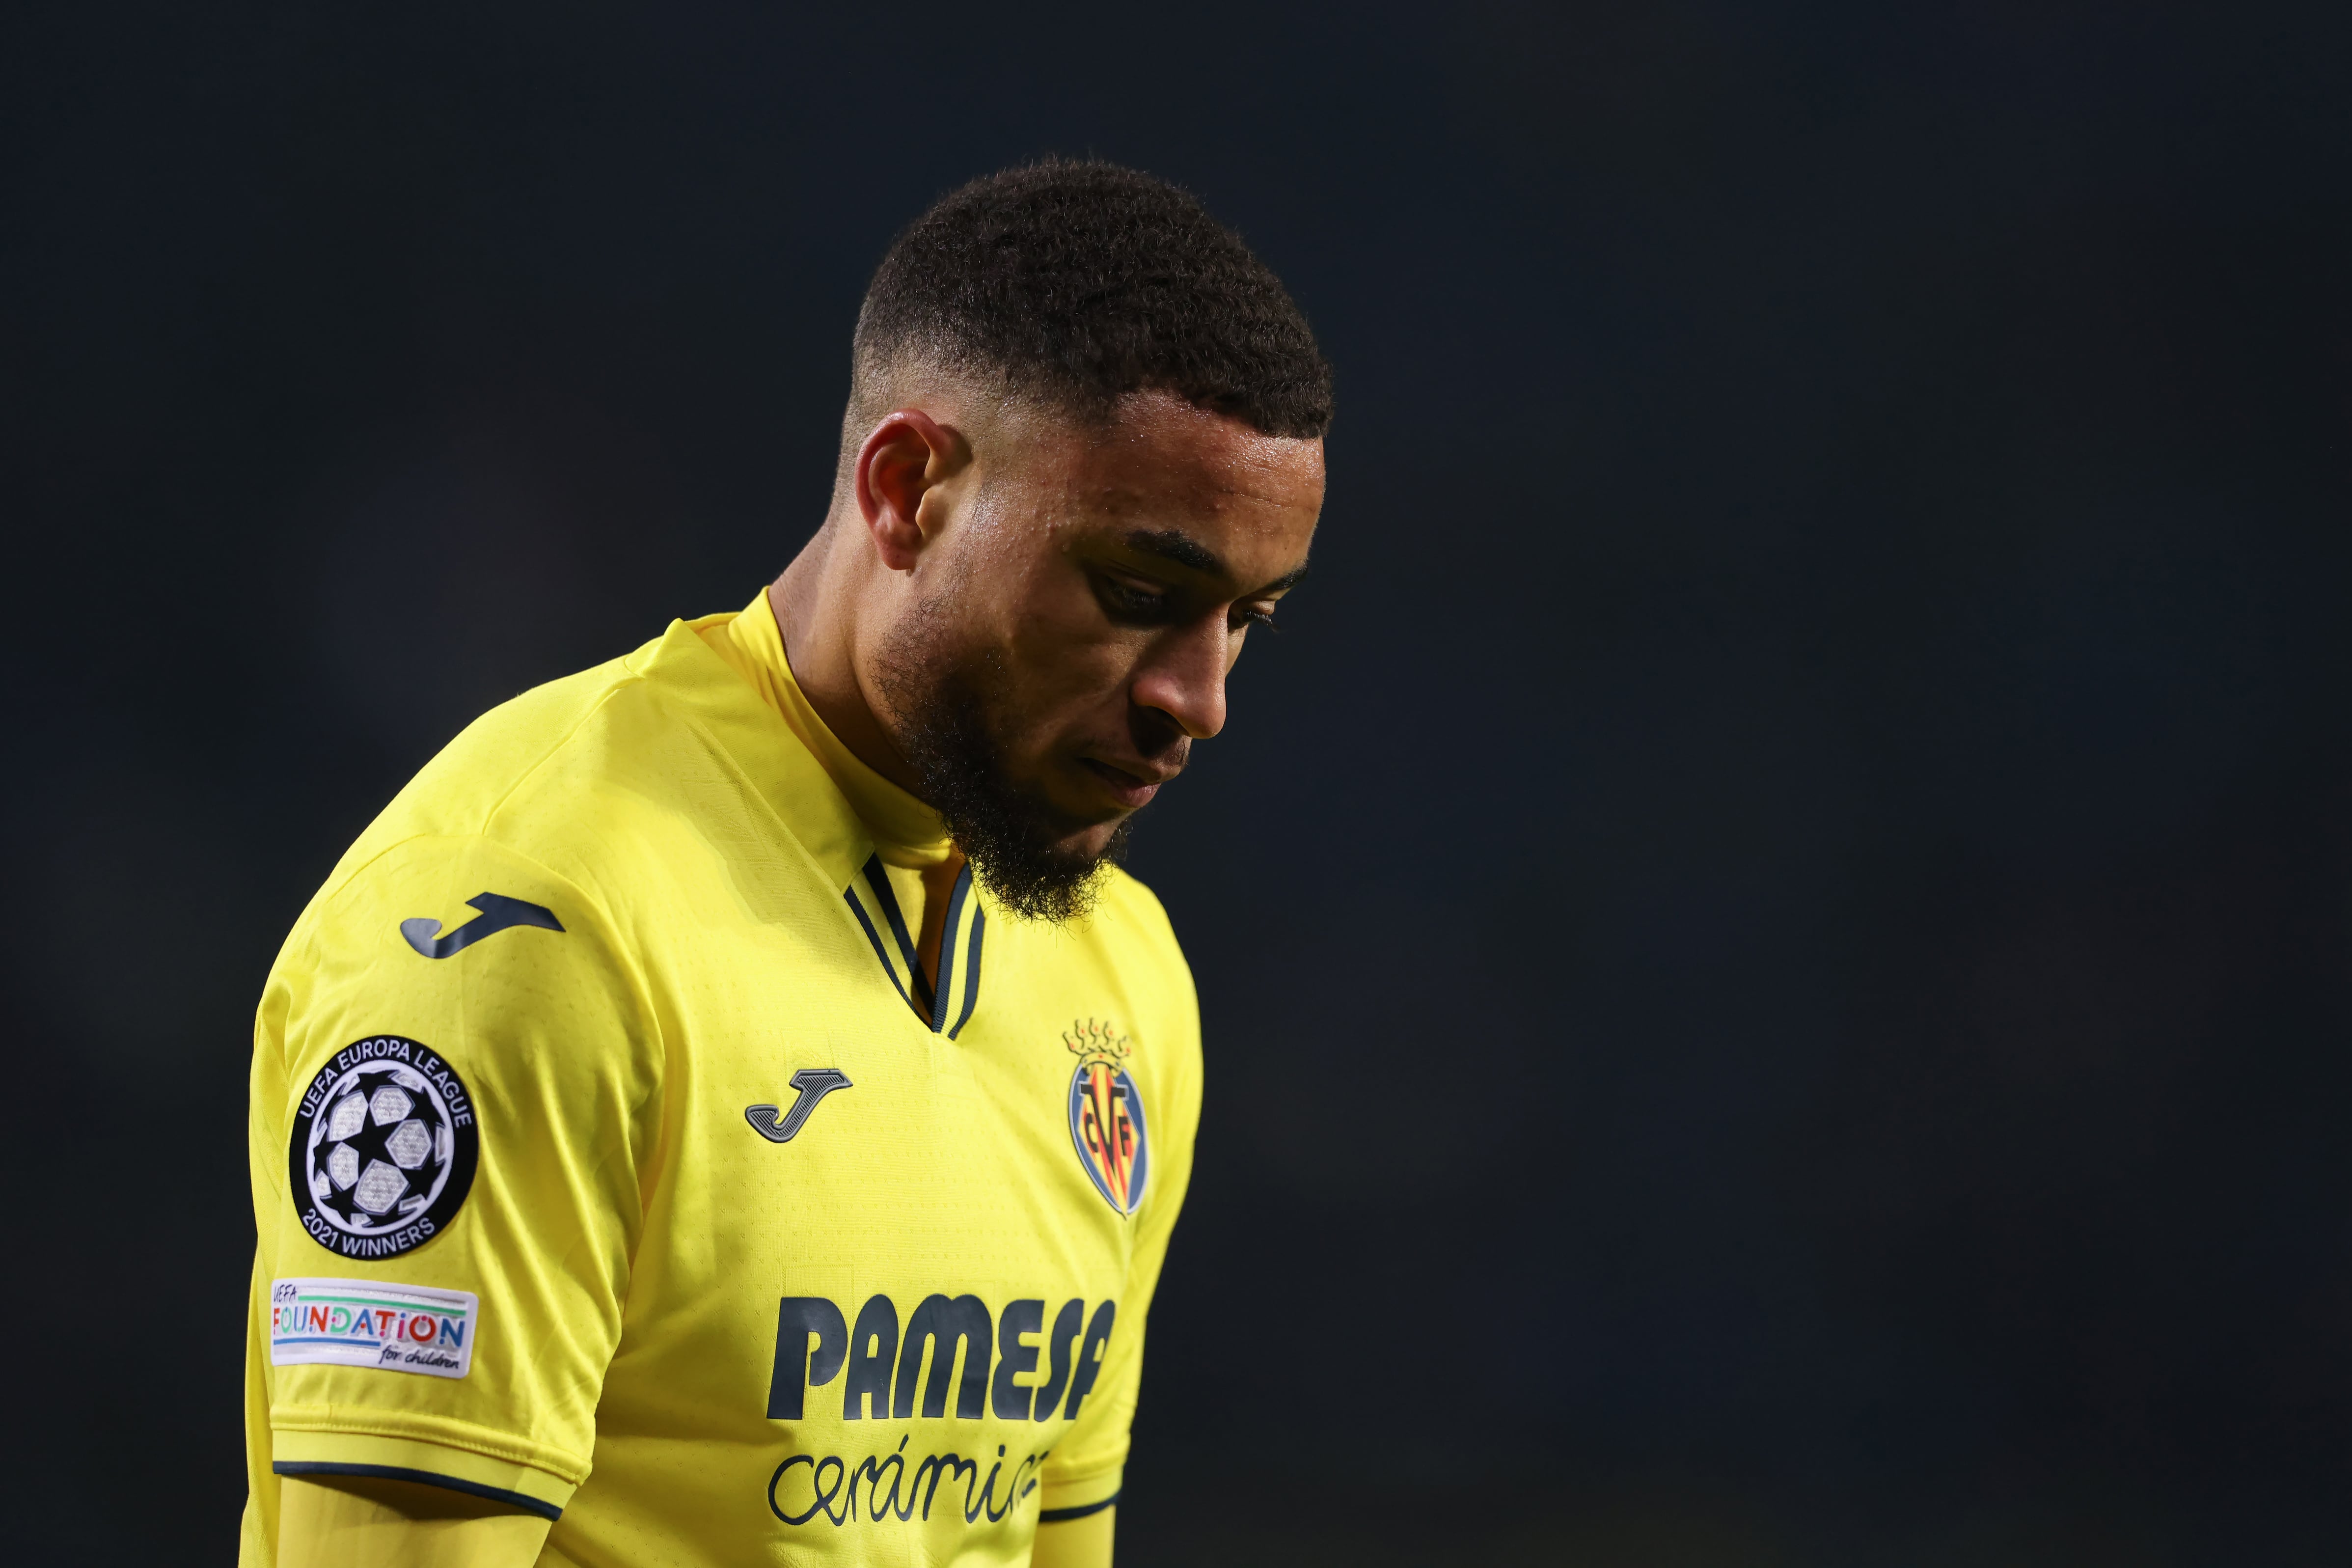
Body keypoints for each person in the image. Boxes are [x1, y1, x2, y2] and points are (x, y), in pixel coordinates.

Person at [239, 160, 1331, 1568]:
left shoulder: (1120, 974)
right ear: (909, 488)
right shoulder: (525, 928)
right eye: (1138, 594)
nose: (1200, 696)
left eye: (1249, 619)